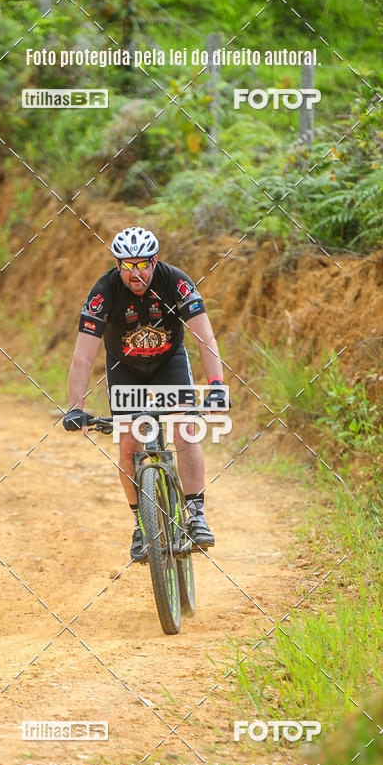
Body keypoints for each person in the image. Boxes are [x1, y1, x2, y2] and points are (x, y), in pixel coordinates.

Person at [63, 226, 227, 561]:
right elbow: (83, 356)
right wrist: (75, 407)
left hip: (168, 364)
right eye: (127, 266)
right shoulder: (104, 292)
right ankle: (141, 523)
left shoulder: (175, 282)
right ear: (118, 264)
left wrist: (215, 385)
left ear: (154, 261)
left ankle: (196, 515)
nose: (135, 273)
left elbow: (205, 338)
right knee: (128, 444)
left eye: (142, 265)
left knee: (184, 428)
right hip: (125, 369)